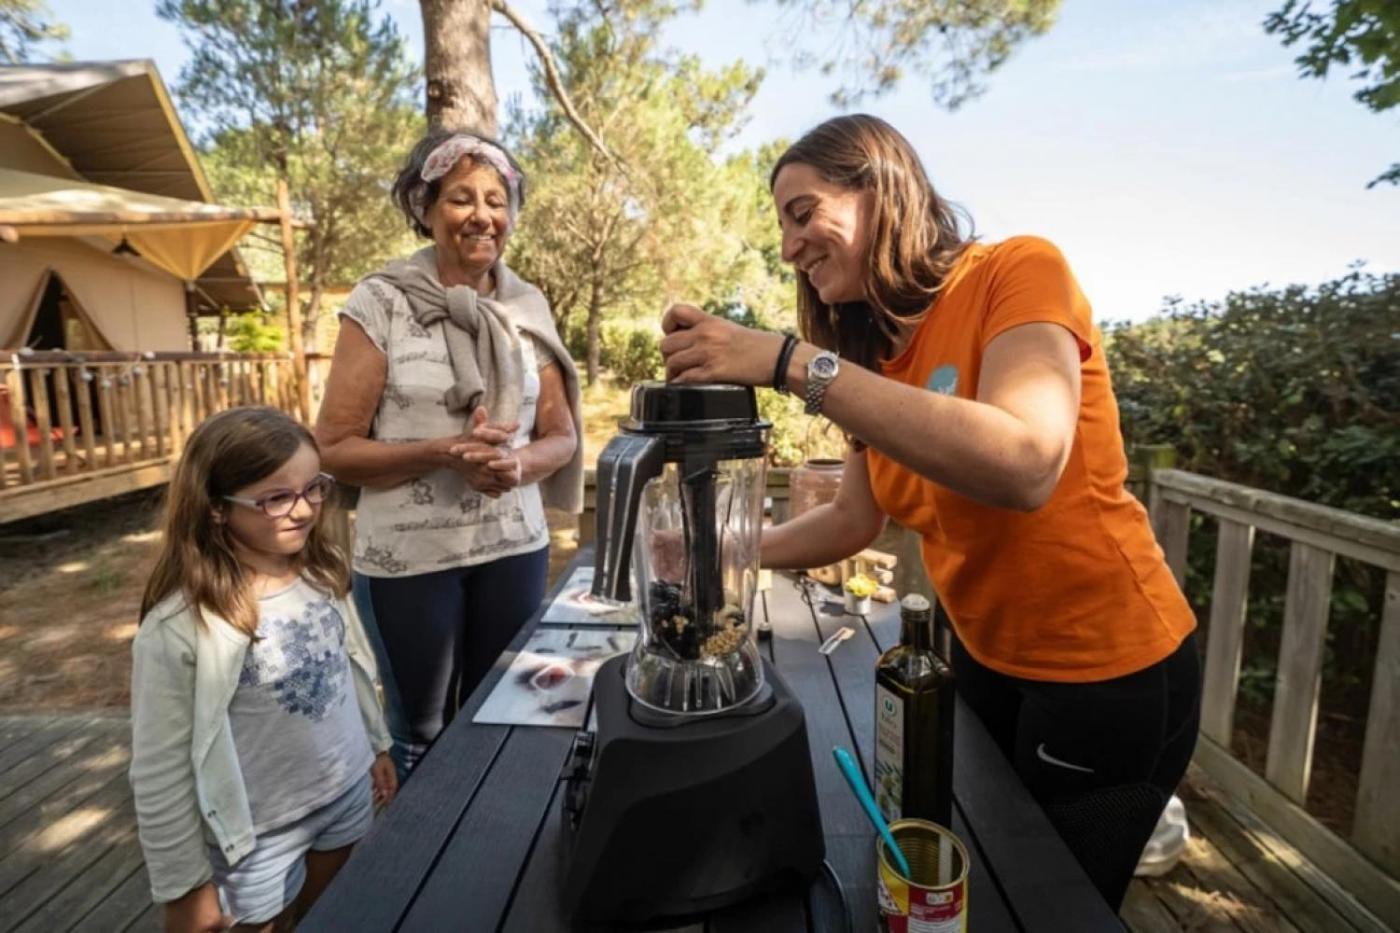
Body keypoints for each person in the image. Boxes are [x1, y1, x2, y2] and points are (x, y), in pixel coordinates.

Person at [659, 114, 1200, 908]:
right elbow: (853, 518)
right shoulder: (873, 357)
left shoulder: (1019, 270)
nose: (787, 248)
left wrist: (787, 361)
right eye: (782, 225)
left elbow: (1026, 462)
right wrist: (720, 553)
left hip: (1107, 672)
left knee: (1052, 906)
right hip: (985, 657)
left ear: (880, 186)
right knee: (971, 878)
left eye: (803, 213)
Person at [316, 128, 583, 772]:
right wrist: (443, 452)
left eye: (497, 199)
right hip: (409, 561)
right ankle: (418, 864)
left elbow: (561, 435)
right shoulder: (380, 300)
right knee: (422, 736)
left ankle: (485, 858)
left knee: (500, 714)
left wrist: (517, 465)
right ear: (426, 208)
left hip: (513, 549)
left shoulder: (527, 304)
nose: (483, 215)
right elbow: (332, 448)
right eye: (462, 198)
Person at [130, 407, 396, 933]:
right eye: (276, 497)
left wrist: (377, 744)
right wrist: (185, 889)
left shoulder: (322, 572)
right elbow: (159, 773)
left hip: (345, 797)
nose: (303, 510)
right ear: (215, 509)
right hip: (256, 836)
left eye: (314, 488)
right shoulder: (182, 627)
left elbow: (350, 670)